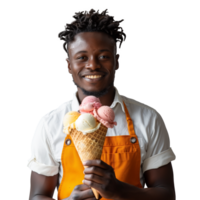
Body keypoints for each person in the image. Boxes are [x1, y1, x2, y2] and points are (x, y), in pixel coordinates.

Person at [25, 7, 178, 200]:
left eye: (104, 56)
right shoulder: (49, 123)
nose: (93, 65)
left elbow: (167, 194)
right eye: (82, 57)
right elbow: (37, 196)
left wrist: (118, 191)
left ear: (118, 61)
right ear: (68, 65)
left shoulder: (149, 118)